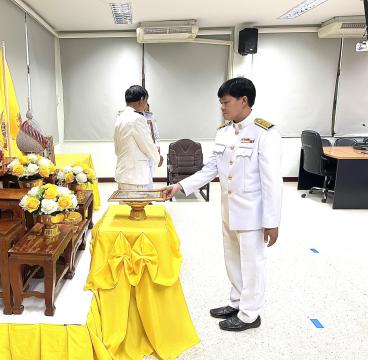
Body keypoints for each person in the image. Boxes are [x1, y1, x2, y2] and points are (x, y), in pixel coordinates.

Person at [163, 77, 282, 332]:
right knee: (232, 258)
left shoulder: (265, 132)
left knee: (252, 263)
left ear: (244, 100)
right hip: (229, 209)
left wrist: (272, 222)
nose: (222, 107)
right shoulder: (224, 132)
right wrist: (181, 186)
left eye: (226, 102)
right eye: (220, 102)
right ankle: (237, 301)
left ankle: (250, 314)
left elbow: (272, 182)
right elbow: (210, 170)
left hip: (253, 213)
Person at [114, 85, 163, 190]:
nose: (146, 104)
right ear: (141, 99)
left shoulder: (120, 117)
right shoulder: (137, 119)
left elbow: (117, 149)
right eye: (146, 101)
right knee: (136, 206)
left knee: (124, 206)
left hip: (122, 173)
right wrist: (158, 159)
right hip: (135, 176)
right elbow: (147, 145)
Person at [144, 103, 161, 190]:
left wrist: (157, 147)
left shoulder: (150, 117)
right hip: (140, 150)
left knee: (150, 174)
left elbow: (156, 134)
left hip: (151, 149)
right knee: (143, 174)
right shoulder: (133, 117)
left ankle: (149, 196)